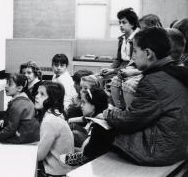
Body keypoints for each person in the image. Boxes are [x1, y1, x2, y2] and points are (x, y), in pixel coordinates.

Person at [103, 27, 188, 165]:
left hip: (159, 151)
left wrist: (109, 113)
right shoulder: (178, 71)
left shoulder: (152, 82)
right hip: (178, 146)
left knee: (102, 129)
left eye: (135, 51)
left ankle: (85, 165)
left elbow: (130, 121)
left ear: (148, 53)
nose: (133, 57)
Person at [60, 87, 114, 166]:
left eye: (84, 102)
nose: (81, 105)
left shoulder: (100, 126)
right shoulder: (102, 116)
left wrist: (64, 155)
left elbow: (87, 153)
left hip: (99, 164)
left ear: (94, 105)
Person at [35, 81, 74, 177]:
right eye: (37, 92)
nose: (36, 96)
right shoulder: (57, 114)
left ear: (52, 99)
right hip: (62, 169)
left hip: (54, 173)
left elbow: (39, 155)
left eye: (42, 94)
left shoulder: (49, 120)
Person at [0, 73, 40, 144]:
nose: (6, 87)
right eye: (6, 83)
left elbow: (11, 129)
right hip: (33, 133)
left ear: (19, 88)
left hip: (23, 136)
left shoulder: (17, 104)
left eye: (10, 84)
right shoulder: (25, 98)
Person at [100, 8, 140, 77]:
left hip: (130, 70)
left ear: (132, 24)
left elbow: (134, 64)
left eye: (124, 22)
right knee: (100, 76)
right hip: (119, 68)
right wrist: (109, 68)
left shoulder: (137, 39)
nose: (121, 25)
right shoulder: (121, 39)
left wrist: (113, 71)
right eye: (120, 23)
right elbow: (118, 60)